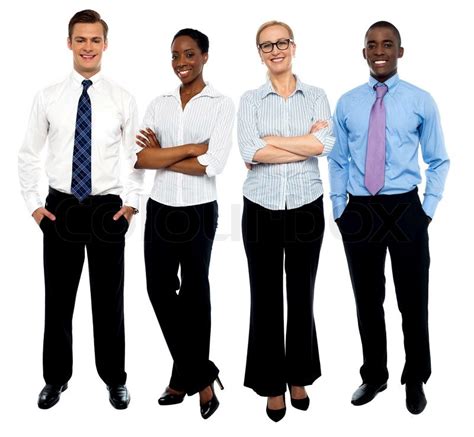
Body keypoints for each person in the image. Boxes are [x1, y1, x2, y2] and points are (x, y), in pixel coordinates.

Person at [18, 9, 142, 410]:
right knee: (58, 301)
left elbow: (136, 156)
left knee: (109, 303)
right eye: (80, 39)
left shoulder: (121, 98)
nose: (88, 47)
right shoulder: (48, 96)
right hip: (62, 209)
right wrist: (36, 207)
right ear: (69, 43)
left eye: (95, 40)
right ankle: (55, 379)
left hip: (107, 210)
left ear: (105, 44)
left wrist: (130, 205)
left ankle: (114, 379)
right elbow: (27, 154)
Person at [328, 21, 449, 415]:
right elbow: (336, 158)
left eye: (387, 44)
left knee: (412, 300)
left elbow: (438, 159)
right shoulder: (346, 103)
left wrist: (426, 211)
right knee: (367, 299)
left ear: (400, 51)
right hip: (360, 210)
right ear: (364, 53)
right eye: (372, 45)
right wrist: (340, 209)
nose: (379, 50)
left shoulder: (420, 100)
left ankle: (415, 377)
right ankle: (375, 374)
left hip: (404, 208)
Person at [134, 28, 234, 420]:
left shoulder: (221, 105)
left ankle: (182, 379)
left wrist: (164, 154)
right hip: (160, 208)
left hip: (198, 211)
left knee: (195, 294)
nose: (181, 63)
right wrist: (192, 148)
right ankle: (203, 376)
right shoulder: (159, 103)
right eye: (175, 55)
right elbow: (140, 159)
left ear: (205, 56)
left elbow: (215, 164)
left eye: (189, 54)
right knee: (158, 289)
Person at [238, 20, 334, 422]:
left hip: (306, 206)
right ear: (259, 53)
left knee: (301, 294)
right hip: (260, 207)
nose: (274, 50)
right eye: (266, 46)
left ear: (293, 46)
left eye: (280, 43)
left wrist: (271, 141)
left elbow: (324, 145)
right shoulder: (250, 99)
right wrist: (300, 145)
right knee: (264, 297)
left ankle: (299, 376)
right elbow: (248, 150)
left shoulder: (316, 95)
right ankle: (271, 384)